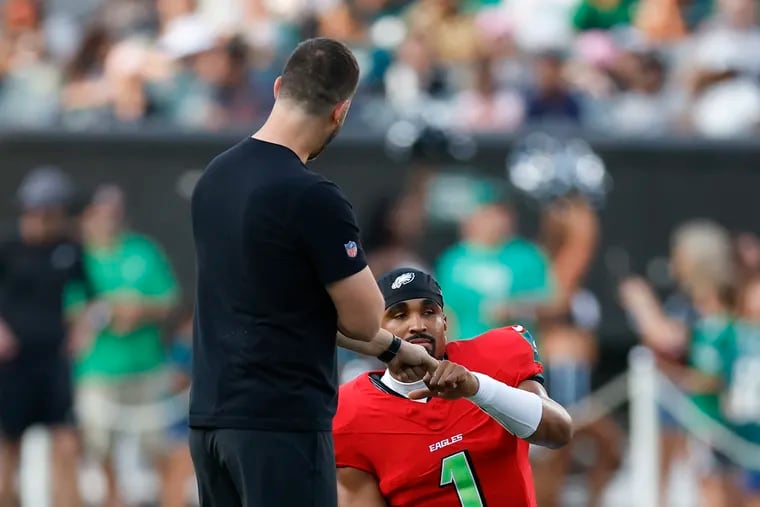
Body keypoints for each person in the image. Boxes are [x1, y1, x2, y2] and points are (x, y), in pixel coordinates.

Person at [189, 37, 438, 507]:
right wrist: (391, 341)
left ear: (280, 86)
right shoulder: (313, 196)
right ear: (340, 112)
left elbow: (283, 308)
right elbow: (364, 319)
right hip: (280, 424)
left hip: (210, 423)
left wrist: (394, 350)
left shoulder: (214, 177)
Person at [334, 267, 573, 507]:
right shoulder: (351, 413)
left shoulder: (494, 357)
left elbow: (558, 432)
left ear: (445, 323)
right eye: (399, 315)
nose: (417, 325)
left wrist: (478, 388)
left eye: (429, 312)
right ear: (376, 330)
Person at [70, 184, 180, 507]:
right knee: (100, 451)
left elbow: (169, 299)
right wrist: (109, 311)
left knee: (160, 446)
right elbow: (70, 309)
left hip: (146, 367)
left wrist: (139, 309)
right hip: (98, 371)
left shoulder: (142, 250)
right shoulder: (76, 256)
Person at [0, 166, 88, 507]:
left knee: (66, 443)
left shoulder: (69, 250)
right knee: (9, 445)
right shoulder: (8, 247)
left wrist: (82, 331)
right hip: (13, 363)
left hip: (53, 361)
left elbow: (94, 298)